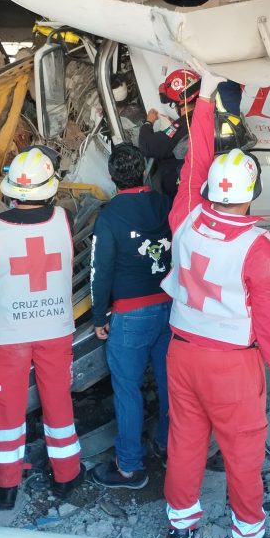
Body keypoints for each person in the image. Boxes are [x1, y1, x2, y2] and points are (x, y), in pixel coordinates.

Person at [160, 69, 270, 538]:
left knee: (186, 441)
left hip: (181, 354)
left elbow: (195, 164)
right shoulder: (260, 250)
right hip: (233, 365)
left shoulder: (186, 218)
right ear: (251, 193)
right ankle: (248, 536)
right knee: (242, 451)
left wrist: (203, 104)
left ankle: (181, 525)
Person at [0, 146, 83, 510]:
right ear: (49, 188)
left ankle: (6, 487)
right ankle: (67, 475)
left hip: (11, 333)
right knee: (58, 400)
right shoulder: (63, 218)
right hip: (55, 327)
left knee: (6, 407)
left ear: (10, 190)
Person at [89, 143, 172, 490]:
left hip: (130, 314)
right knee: (172, 386)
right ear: (144, 170)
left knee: (127, 389)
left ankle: (129, 467)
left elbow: (100, 271)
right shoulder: (165, 203)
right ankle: (170, 447)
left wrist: (98, 317)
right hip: (171, 308)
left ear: (111, 178)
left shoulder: (109, 216)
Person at [138, 68, 201, 199]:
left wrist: (148, 122)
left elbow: (147, 145)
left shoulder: (183, 126)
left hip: (180, 192)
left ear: (181, 103)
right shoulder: (207, 115)